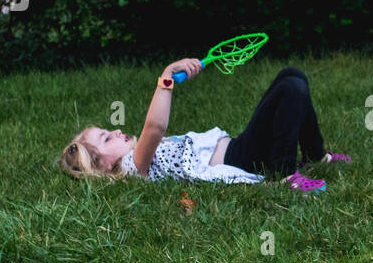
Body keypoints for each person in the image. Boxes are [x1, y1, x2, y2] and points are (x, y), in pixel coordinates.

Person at [59, 60, 351, 193]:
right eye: (108, 139)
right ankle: (285, 174)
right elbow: (155, 128)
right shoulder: (133, 168)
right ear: (105, 167)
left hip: (240, 147)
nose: (118, 131)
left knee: (292, 76)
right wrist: (166, 78)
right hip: (243, 160)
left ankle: (315, 155)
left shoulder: (133, 160)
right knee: (292, 90)